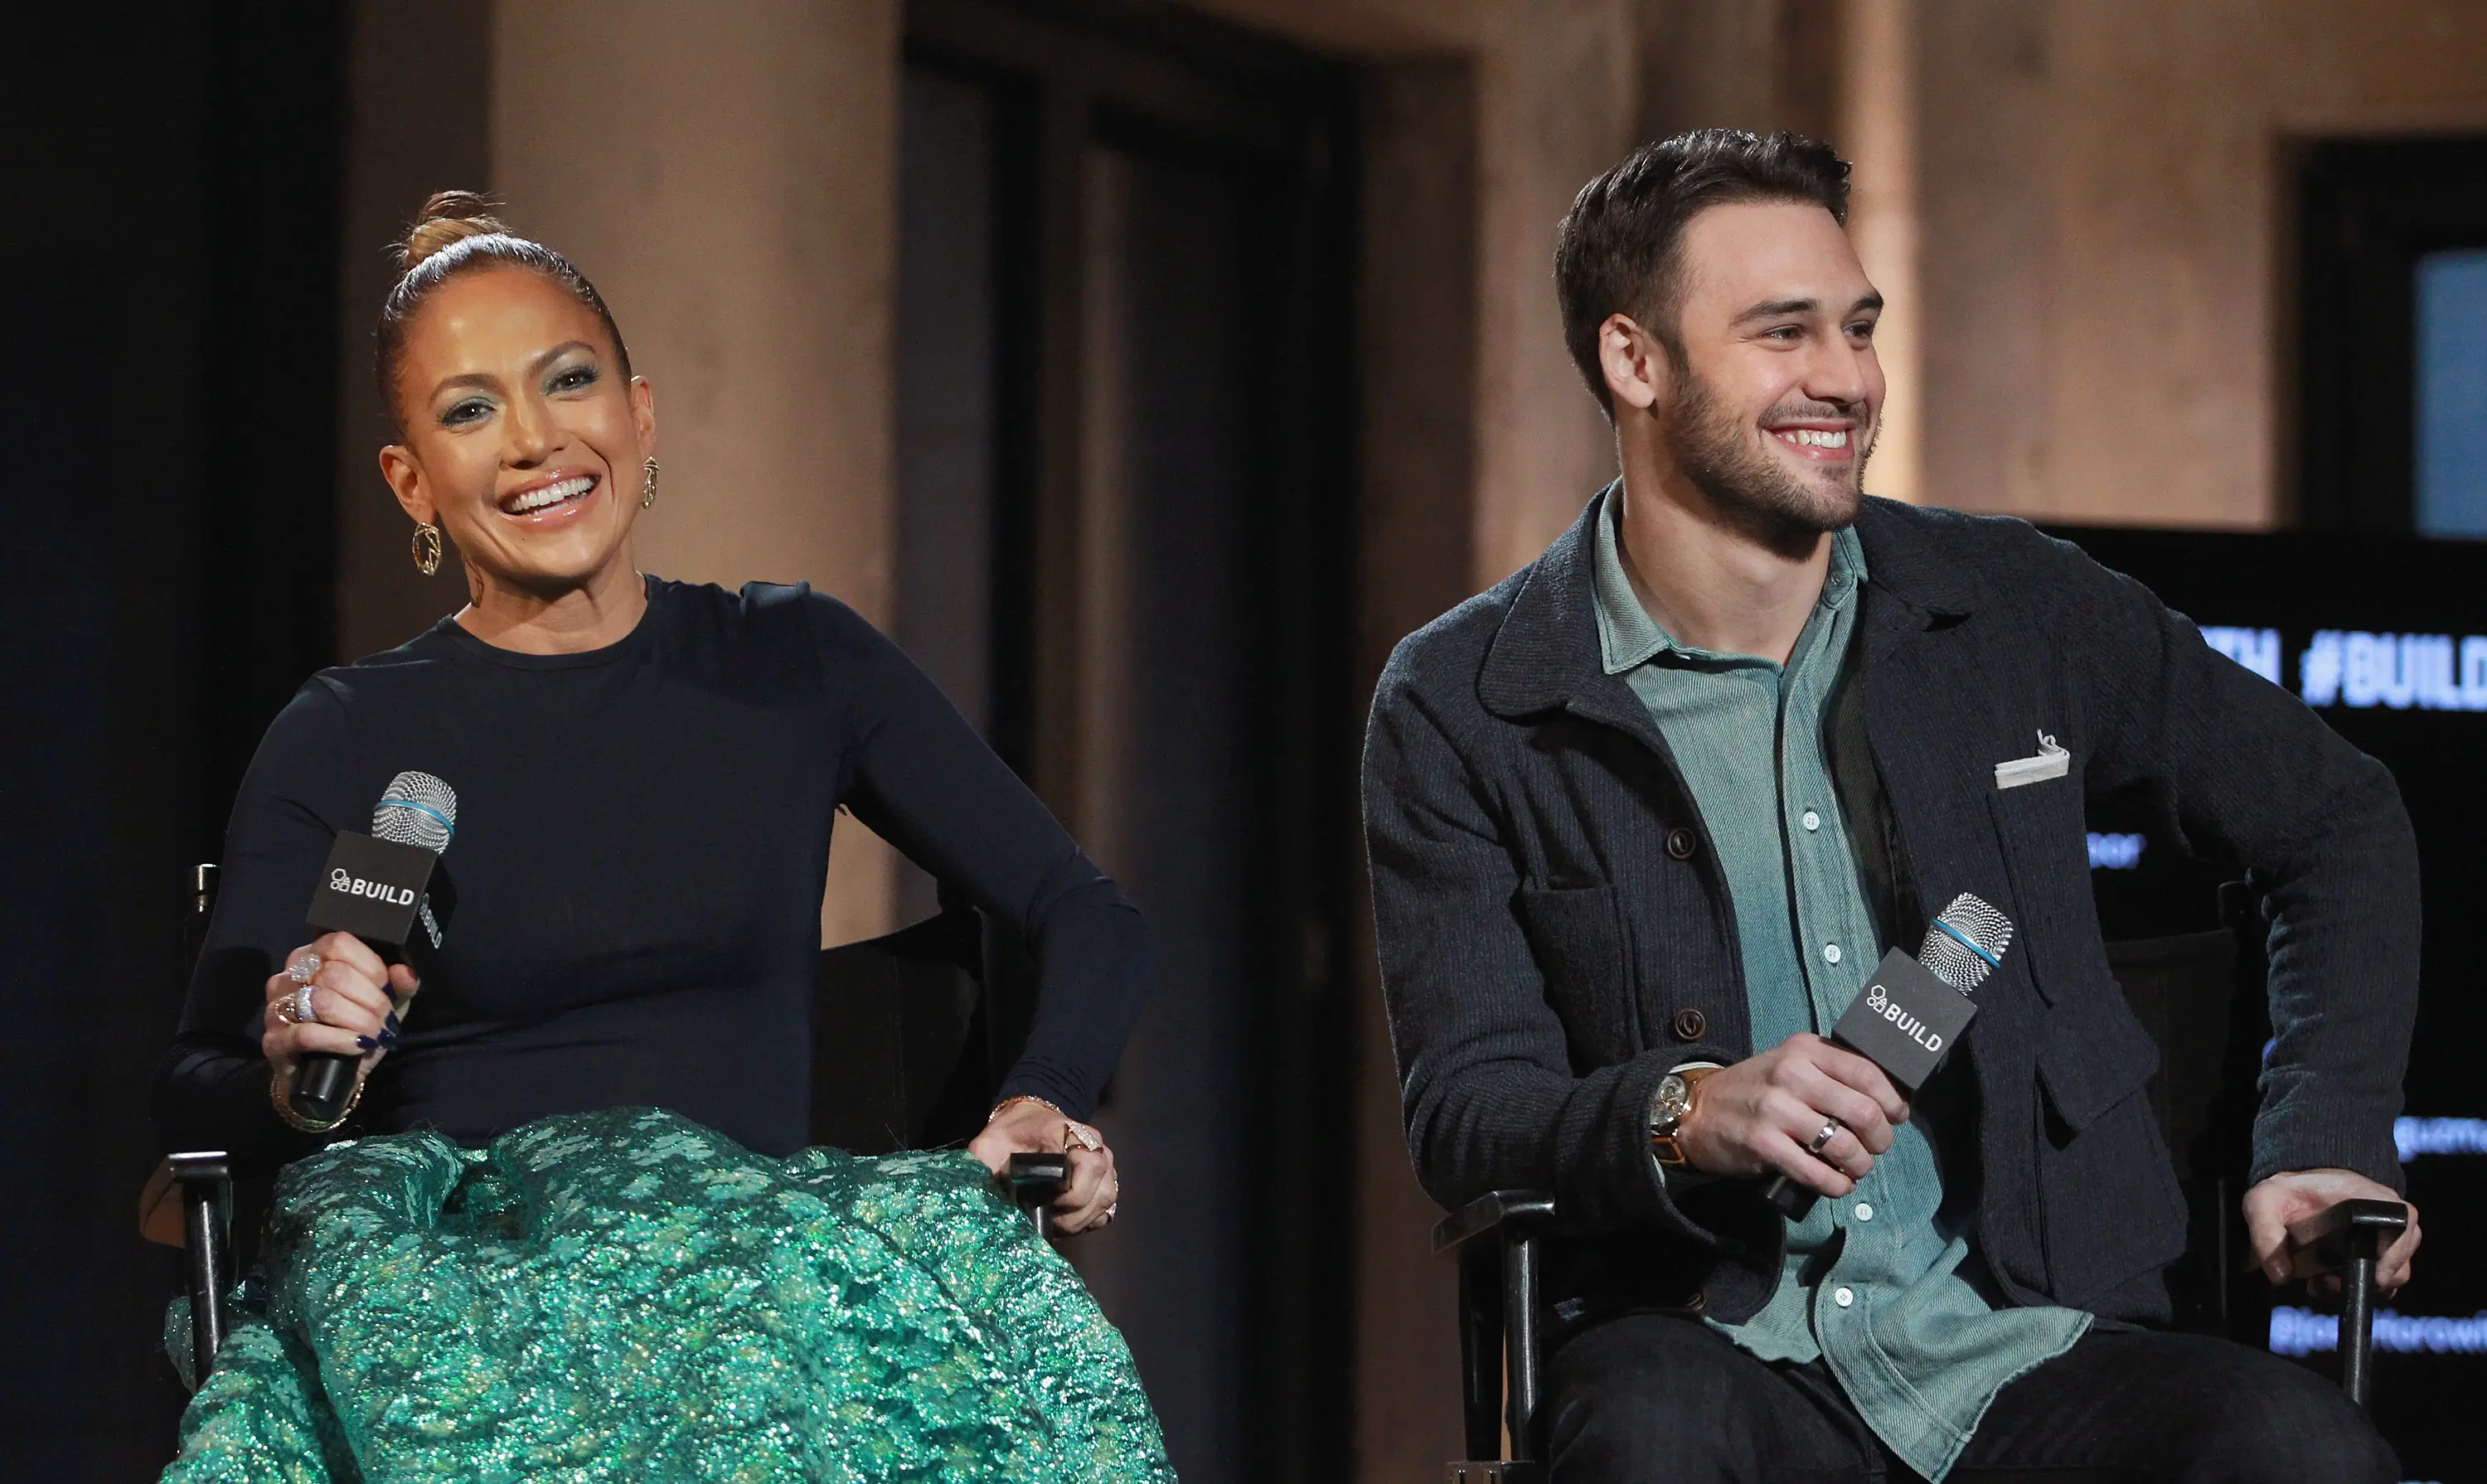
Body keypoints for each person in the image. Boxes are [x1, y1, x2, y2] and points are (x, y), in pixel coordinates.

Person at [1361, 130, 2422, 1483]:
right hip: (1697, 1340)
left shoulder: (2018, 608)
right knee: (1645, 1439)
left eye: (1858, 328)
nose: (1850, 379)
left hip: (2030, 1336)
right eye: (1785, 332)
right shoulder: (1465, 699)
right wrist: (1686, 1109)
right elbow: (1468, 1112)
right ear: (1635, 361)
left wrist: (2327, 1131)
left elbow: (2338, 817)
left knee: (2304, 1447)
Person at [154, 192, 1171, 1482]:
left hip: (764, 1297)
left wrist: (1043, 1097)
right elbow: (191, 1090)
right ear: (410, 480)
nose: (535, 439)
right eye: (470, 410)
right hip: (473, 1300)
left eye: (567, 381)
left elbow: (1086, 912)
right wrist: (291, 1060)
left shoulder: (795, 662)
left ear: (641, 415)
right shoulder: (352, 733)